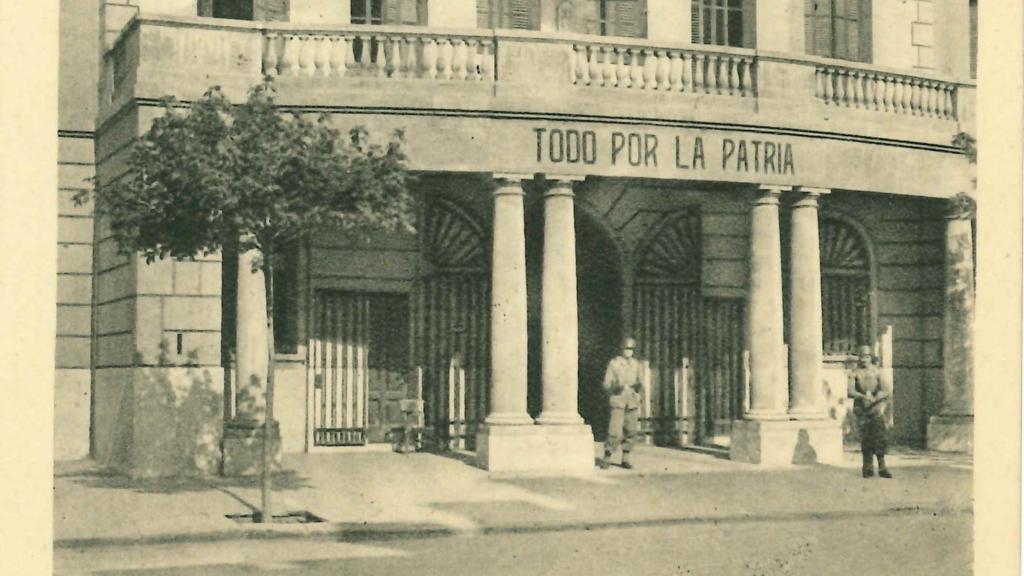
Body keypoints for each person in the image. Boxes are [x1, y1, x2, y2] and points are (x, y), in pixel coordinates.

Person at [848, 345, 893, 478]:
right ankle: (867, 468)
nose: (864, 360)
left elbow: (886, 389)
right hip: (862, 409)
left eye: (867, 357)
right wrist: (863, 396)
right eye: (862, 357)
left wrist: (875, 398)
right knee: (866, 439)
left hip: (876, 409)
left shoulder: (877, 372)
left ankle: (882, 467)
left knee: (879, 438)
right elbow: (850, 391)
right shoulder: (854, 373)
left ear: (871, 358)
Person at [600, 337, 644, 470]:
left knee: (631, 430)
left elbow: (641, 381)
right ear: (622, 349)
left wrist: (638, 387)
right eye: (626, 348)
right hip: (618, 399)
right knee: (615, 431)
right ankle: (607, 455)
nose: (628, 351)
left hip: (632, 400)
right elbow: (606, 384)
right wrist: (616, 386)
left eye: (631, 349)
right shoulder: (614, 363)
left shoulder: (636, 364)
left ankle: (626, 458)